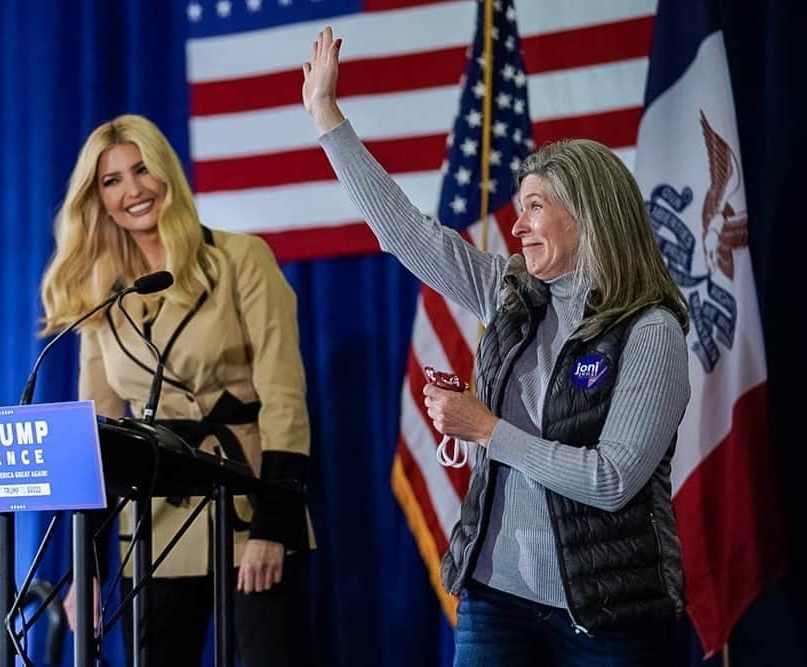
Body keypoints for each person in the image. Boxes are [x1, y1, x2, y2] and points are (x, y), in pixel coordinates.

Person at [302, 27, 690, 667]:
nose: (517, 225)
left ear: (587, 214)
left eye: (535, 208)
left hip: (606, 612)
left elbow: (613, 479)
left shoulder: (650, 331)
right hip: (494, 600)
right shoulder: (509, 294)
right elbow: (404, 232)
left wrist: (488, 430)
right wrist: (327, 117)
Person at [40, 114, 313, 667]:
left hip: (247, 507)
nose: (132, 190)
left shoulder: (241, 259)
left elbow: (284, 397)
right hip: (153, 526)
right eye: (111, 180)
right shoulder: (99, 293)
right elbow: (94, 432)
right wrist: (86, 569)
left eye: (142, 170)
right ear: (96, 198)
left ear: (168, 174)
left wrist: (273, 526)